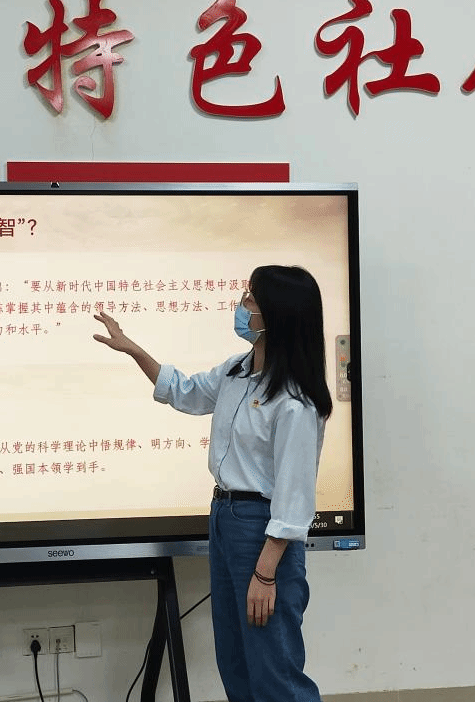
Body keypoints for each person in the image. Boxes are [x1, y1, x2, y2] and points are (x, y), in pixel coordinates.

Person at [93, 264, 332, 702]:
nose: (241, 306)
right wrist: (133, 349)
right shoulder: (237, 370)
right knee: (235, 661)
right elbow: (184, 391)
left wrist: (265, 573)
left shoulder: (294, 401)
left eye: (251, 299)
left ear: (275, 314)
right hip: (224, 517)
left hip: (262, 532)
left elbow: (294, 498)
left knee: (273, 669)